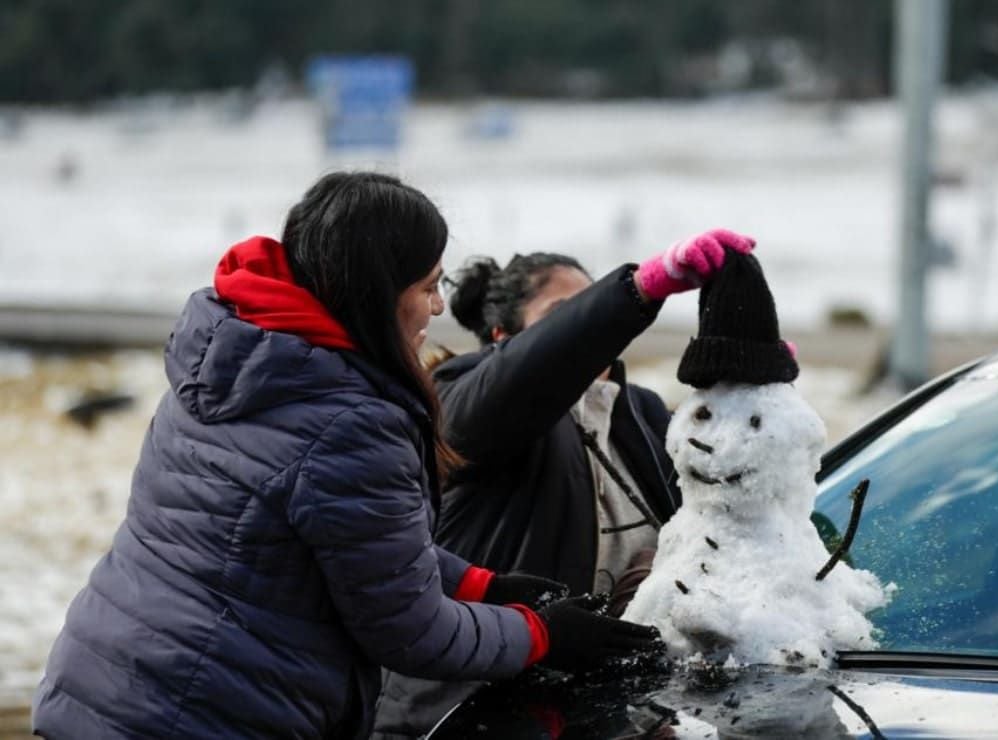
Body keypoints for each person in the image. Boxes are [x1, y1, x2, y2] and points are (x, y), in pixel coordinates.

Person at [30, 171, 659, 740]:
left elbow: (344, 532)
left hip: (105, 684)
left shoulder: (238, 360)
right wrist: (543, 636)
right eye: (427, 286)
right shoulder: (350, 420)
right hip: (202, 715)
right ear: (376, 290)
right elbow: (412, 631)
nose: (439, 307)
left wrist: (480, 583)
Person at [371, 228, 755, 737]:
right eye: (563, 315)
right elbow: (518, 383)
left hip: (604, 713)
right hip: (469, 713)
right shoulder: (459, 394)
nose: (586, 328)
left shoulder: (637, 411)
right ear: (503, 340)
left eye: (590, 306)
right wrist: (637, 291)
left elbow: (710, 520)